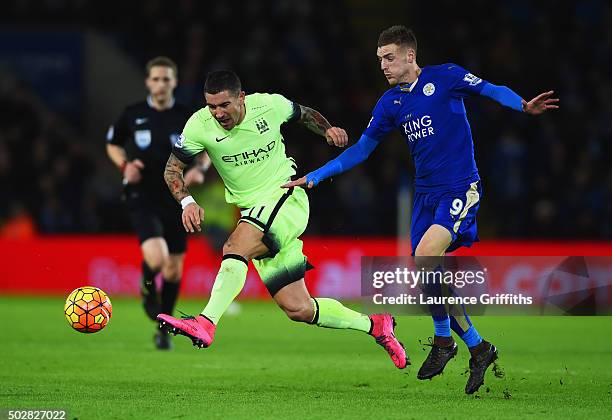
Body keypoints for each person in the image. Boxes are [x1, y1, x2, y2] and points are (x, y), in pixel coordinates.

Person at [283, 25, 558, 393]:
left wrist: (522, 105)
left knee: (428, 256)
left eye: (389, 57)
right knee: (430, 275)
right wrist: (315, 176)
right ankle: (477, 347)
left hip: (460, 188)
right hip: (425, 196)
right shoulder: (389, 103)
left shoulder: (446, 77)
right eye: (379, 59)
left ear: (410, 56)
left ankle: (445, 341)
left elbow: (489, 89)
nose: (382, 65)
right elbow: (363, 149)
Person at [156, 70, 408, 370]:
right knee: (299, 308)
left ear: (241, 97)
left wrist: (326, 130)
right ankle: (376, 325)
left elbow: (303, 114)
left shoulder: (269, 105)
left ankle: (206, 322)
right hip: (254, 212)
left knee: (235, 246)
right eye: (211, 106)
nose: (218, 113)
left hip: (285, 196)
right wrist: (187, 201)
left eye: (224, 105)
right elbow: (172, 170)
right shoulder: (199, 125)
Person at [106, 56, 209, 350]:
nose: (161, 84)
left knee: (174, 270)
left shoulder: (188, 117)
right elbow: (112, 144)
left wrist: (199, 170)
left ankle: (164, 328)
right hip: (142, 196)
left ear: (174, 82)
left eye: (166, 79)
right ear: (148, 82)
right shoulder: (132, 114)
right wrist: (125, 165)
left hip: (176, 198)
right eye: (155, 79)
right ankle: (147, 287)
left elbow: (206, 149)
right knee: (157, 259)